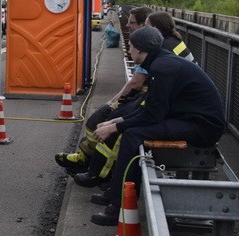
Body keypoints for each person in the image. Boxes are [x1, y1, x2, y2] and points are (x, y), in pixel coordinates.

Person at [89, 26, 225, 225]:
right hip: (190, 120)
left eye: (132, 46)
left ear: (141, 49)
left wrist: (115, 128)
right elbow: (151, 109)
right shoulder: (162, 62)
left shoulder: (162, 68)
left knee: (132, 135)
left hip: (202, 127)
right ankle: (115, 195)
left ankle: (120, 208)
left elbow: (153, 115)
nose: (129, 49)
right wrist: (116, 121)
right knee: (130, 130)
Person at [54, 5, 153, 179]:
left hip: (146, 100)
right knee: (98, 118)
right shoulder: (151, 45)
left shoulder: (150, 48)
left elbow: (135, 83)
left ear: (143, 25)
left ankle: (98, 172)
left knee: (107, 121)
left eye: (131, 22)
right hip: (144, 98)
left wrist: (113, 103)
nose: (127, 26)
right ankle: (87, 158)